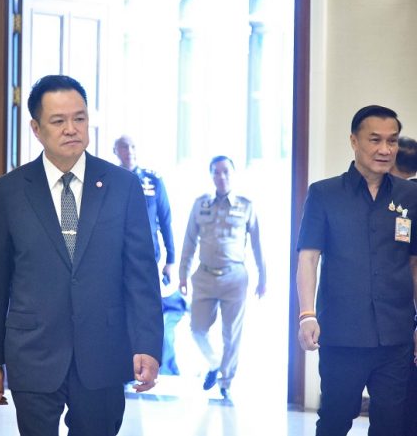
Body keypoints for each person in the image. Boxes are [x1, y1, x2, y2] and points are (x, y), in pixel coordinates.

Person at [0, 74, 164, 436]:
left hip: (104, 351)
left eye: (79, 118)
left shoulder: (122, 186)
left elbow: (141, 275)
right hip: (33, 351)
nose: (71, 129)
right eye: (58, 121)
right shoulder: (9, 192)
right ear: (36, 128)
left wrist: (147, 344)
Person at [296, 105, 417, 435]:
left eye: (392, 141)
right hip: (342, 334)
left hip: (395, 335)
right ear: (354, 141)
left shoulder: (410, 196)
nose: (385, 149)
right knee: (335, 420)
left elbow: (414, 263)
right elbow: (308, 258)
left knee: (392, 424)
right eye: (375, 140)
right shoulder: (324, 194)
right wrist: (307, 315)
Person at [178, 155, 266, 399]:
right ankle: (214, 362)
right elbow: (189, 241)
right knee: (197, 329)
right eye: (216, 172)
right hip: (204, 276)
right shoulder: (200, 204)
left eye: (226, 171)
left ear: (233, 173)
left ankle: (225, 382)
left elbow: (257, 244)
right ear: (211, 176)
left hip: (234, 278)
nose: (221, 176)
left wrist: (263, 277)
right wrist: (182, 274)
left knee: (231, 334)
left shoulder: (245, 206)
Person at [113, 135, 186, 376]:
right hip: (115, 259)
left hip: (147, 258)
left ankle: (151, 363)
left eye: (132, 146)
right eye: (124, 147)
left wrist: (171, 260)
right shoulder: (109, 179)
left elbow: (165, 220)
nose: (129, 151)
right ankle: (124, 365)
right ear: (116, 151)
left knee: (144, 309)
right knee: (119, 311)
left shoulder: (152, 180)